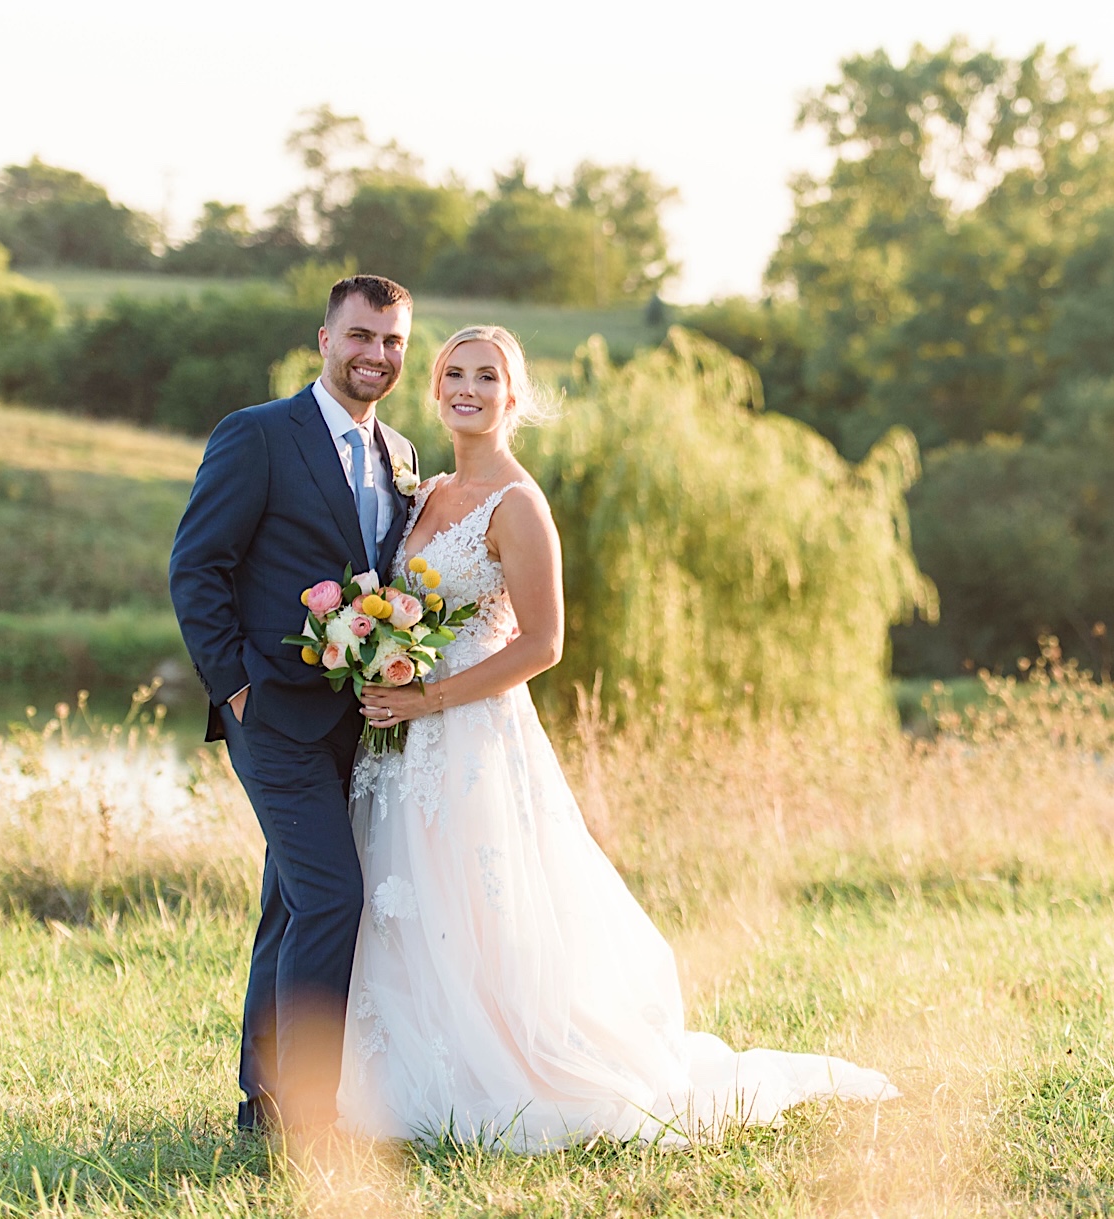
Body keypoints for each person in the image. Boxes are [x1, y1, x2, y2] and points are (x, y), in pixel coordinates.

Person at [347, 325, 897, 1148]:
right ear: (434, 388)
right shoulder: (423, 495)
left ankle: (496, 1068)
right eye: (455, 372)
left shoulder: (519, 505)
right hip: (403, 738)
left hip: (469, 732)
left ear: (512, 396)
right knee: (405, 896)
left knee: (476, 901)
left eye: (487, 376)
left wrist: (431, 698)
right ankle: (393, 1067)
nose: (468, 388)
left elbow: (543, 644)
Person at [168, 275, 420, 1134]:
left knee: (292, 902)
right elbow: (196, 566)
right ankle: (306, 1110)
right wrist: (234, 685)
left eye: (391, 340)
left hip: (357, 722)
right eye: (360, 336)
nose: (375, 355)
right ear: (324, 339)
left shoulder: (401, 454)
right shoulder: (258, 434)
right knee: (332, 897)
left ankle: (264, 1103)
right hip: (271, 713)